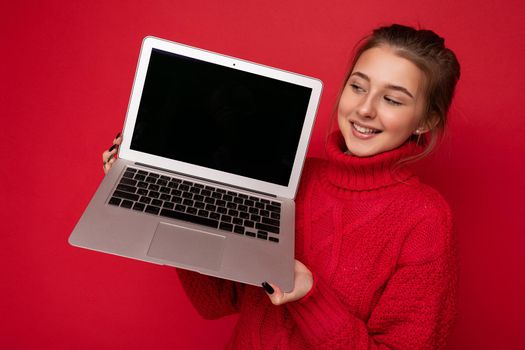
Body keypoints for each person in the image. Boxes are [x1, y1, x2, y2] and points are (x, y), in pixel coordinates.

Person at [102, 24, 460, 349]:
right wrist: (169, 205)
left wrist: (309, 297)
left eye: (392, 99)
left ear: (425, 120)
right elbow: (218, 300)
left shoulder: (425, 219)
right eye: (358, 86)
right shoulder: (291, 178)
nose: (364, 109)